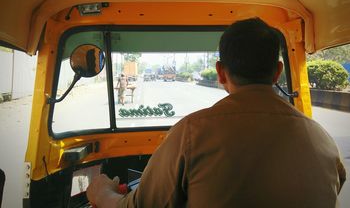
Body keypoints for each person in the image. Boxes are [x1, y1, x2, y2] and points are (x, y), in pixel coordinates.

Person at [87, 18, 346, 207]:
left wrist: (102, 192)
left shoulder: (192, 133)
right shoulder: (322, 138)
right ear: (278, 71)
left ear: (221, 72)